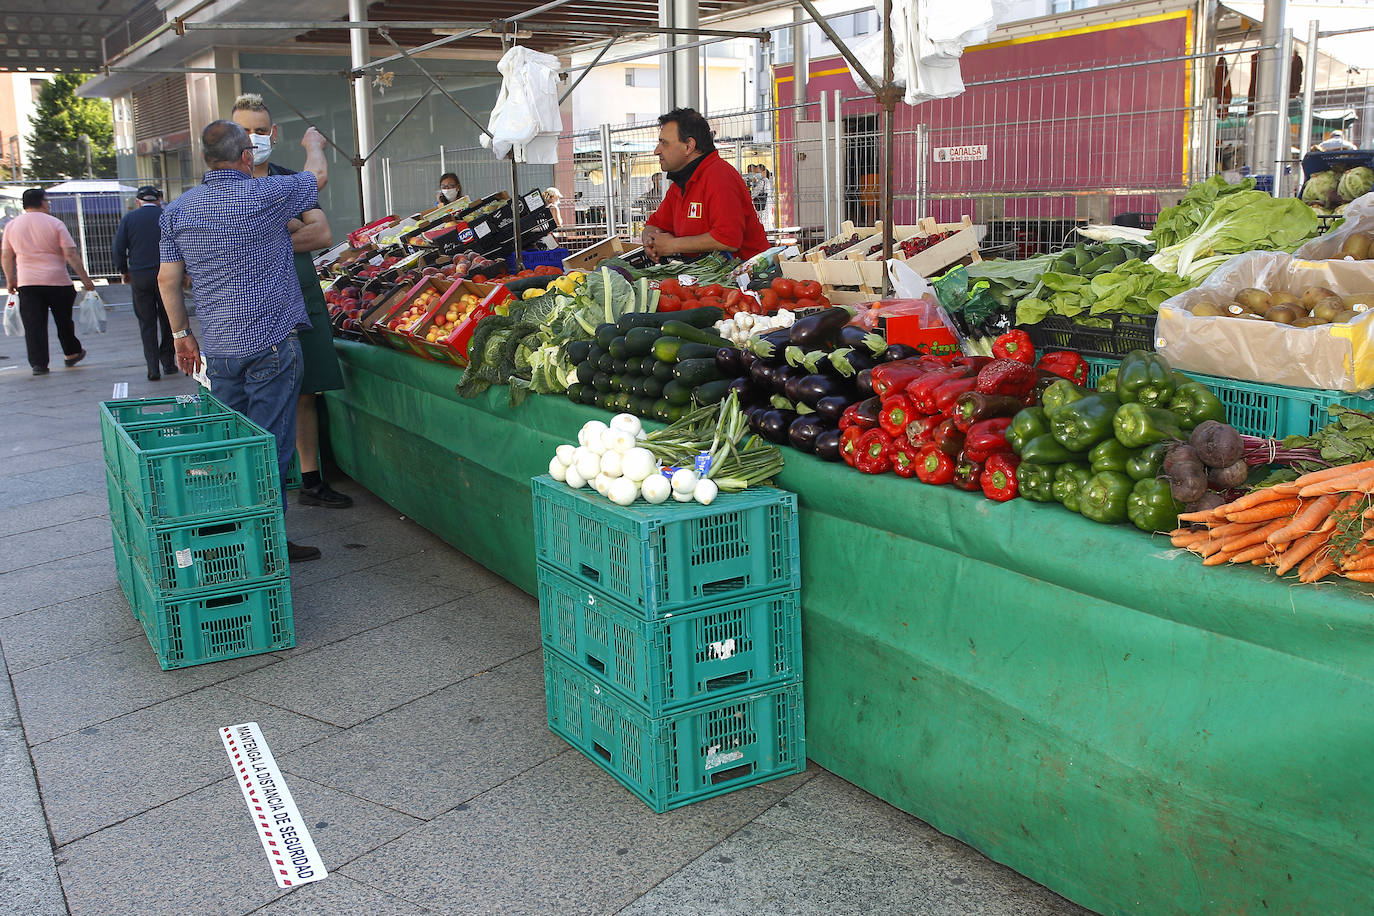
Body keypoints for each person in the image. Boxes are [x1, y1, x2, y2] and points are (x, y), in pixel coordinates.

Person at [158, 119, 328, 562]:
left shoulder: (177, 211)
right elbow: (318, 177)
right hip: (271, 342)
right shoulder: (263, 195)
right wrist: (313, 144)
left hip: (219, 350)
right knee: (270, 446)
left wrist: (182, 336)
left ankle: (231, 536)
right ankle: (267, 544)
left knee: (231, 443)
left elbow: (168, 279)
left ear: (206, 159)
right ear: (246, 157)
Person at [231, 93, 353, 510]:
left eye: (260, 130)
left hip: (301, 296)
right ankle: (261, 490)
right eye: (245, 130)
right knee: (256, 395)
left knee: (307, 392)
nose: (254, 138)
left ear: (274, 134)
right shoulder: (227, 187)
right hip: (250, 306)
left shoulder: (288, 178)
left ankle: (310, 478)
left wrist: (259, 238)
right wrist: (287, 228)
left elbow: (320, 236)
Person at [641, 108, 768, 263]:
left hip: (749, 276)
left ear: (689, 146)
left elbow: (728, 239)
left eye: (664, 143)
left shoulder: (719, 176)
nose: (656, 151)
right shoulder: (681, 183)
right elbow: (654, 224)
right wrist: (650, 240)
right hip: (711, 278)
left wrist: (672, 245)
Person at [1, 188, 96, 375]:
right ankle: (71, 352)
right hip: (57, 281)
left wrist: (10, 279)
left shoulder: (12, 225)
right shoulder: (55, 223)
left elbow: (6, 255)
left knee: (34, 324)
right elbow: (70, 254)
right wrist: (86, 280)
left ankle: (39, 364)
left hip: (27, 282)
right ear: (42, 202)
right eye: (47, 200)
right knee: (64, 321)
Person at [113, 185, 177, 381]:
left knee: (146, 322)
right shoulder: (167, 215)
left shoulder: (129, 219)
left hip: (140, 275)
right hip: (166, 274)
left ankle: (152, 367)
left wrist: (123, 270)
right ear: (159, 199)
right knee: (169, 320)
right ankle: (168, 361)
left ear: (138, 202)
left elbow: (118, 247)